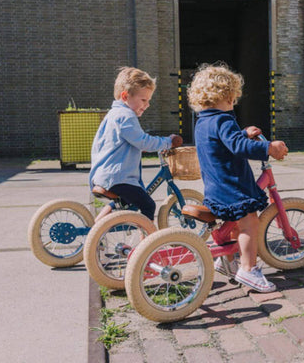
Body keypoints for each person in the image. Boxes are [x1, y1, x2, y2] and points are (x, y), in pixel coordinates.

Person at [187, 63, 288, 293]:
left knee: (234, 224)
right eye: (232, 98)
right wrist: (268, 148)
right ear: (224, 96)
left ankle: (229, 261)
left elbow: (222, 142)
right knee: (250, 221)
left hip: (215, 187)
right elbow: (238, 146)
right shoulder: (224, 120)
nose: (233, 102)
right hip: (232, 186)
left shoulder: (203, 122)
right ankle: (249, 269)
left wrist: (243, 133)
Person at [89, 67, 182, 222]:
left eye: (149, 100)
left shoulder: (113, 115)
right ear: (125, 96)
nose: (147, 105)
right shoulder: (126, 116)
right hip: (117, 177)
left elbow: (124, 143)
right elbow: (143, 141)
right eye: (143, 100)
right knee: (148, 206)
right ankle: (146, 243)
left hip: (105, 175)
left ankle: (95, 229)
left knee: (125, 202)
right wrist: (168, 142)